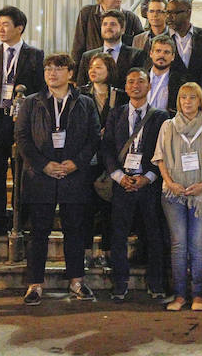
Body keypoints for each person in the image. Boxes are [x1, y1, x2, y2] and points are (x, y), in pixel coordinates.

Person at [17, 53, 100, 305]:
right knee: (38, 232)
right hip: (40, 177)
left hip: (73, 176)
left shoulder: (85, 103)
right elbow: (22, 138)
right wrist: (44, 165)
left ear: (71, 74)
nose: (52, 73)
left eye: (58, 68)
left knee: (74, 231)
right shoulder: (32, 103)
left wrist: (76, 163)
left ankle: (76, 281)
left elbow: (94, 137)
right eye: (48, 69)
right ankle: (35, 285)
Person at [0, 5, 45, 236]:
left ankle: (19, 219)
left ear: (19, 28)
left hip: (22, 124)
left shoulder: (35, 55)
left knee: (21, 174)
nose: (1, 29)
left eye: (6, 24)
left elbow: (40, 92)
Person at [102, 68, 169, 302]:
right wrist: (119, 176)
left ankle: (156, 283)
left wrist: (148, 177)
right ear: (126, 86)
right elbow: (108, 147)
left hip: (148, 184)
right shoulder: (116, 114)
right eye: (130, 81)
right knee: (118, 236)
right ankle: (120, 283)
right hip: (122, 184)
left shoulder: (160, 117)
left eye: (141, 81)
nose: (135, 85)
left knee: (154, 235)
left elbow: (164, 151)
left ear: (149, 86)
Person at [155, 82, 202, 312]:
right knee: (178, 244)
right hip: (173, 193)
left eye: (192, 97)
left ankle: (198, 294)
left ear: (200, 101)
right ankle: (180, 295)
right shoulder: (167, 126)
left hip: (200, 193)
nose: (187, 102)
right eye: (183, 98)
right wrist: (171, 183)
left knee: (196, 245)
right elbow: (160, 158)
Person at [77, 52, 126, 268]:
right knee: (85, 208)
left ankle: (107, 252)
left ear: (110, 70)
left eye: (99, 67)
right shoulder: (80, 95)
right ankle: (86, 251)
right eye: (91, 67)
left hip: (112, 160)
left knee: (110, 209)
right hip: (87, 159)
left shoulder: (120, 96)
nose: (93, 70)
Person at [71, 0, 144, 66]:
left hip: (121, 68)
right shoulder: (87, 13)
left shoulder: (130, 17)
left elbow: (141, 42)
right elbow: (78, 44)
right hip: (92, 65)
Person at [75, 10, 150, 88]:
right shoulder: (87, 56)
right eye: (105, 24)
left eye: (113, 24)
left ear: (122, 29)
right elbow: (81, 87)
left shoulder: (136, 55)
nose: (108, 27)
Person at [147, 35, 185, 114]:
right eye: (158, 51)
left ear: (173, 57)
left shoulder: (179, 82)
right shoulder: (140, 78)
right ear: (151, 53)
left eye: (166, 52)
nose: (161, 55)